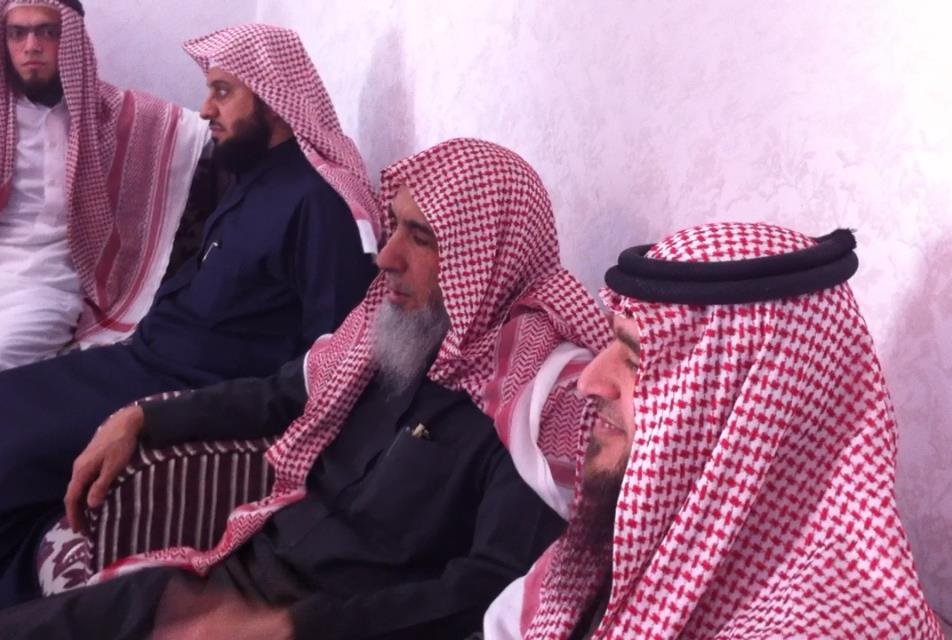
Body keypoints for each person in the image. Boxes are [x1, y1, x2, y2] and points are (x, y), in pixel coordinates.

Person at [0, 138, 609, 639]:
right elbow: (277, 394)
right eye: (393, 227)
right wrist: (142, 419)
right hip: (237, 580)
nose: (386, 257)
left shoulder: (536, 408)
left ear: (488, 256)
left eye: (421, 237)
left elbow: (488, 589)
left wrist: (295, 628)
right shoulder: (393, 331)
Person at [0, 23, 379, 607]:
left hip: (176, 389)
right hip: (135, 361)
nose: (205, 109)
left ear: (271, 97)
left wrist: (162, 416)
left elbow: (325, 369)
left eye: (223, 92)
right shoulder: (253, 176)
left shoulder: (320, 204)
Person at [485, 223, 944, 639]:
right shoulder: (641, 526)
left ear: (755, 410)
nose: (588, 381)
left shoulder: (838, 628)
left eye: (636, 360)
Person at [0, 0, 209, 368]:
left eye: (48, 31)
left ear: (72, 40)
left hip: (45, 282)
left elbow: (209, 132)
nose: (31, 46)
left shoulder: (112, 115)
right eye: (17, 33)